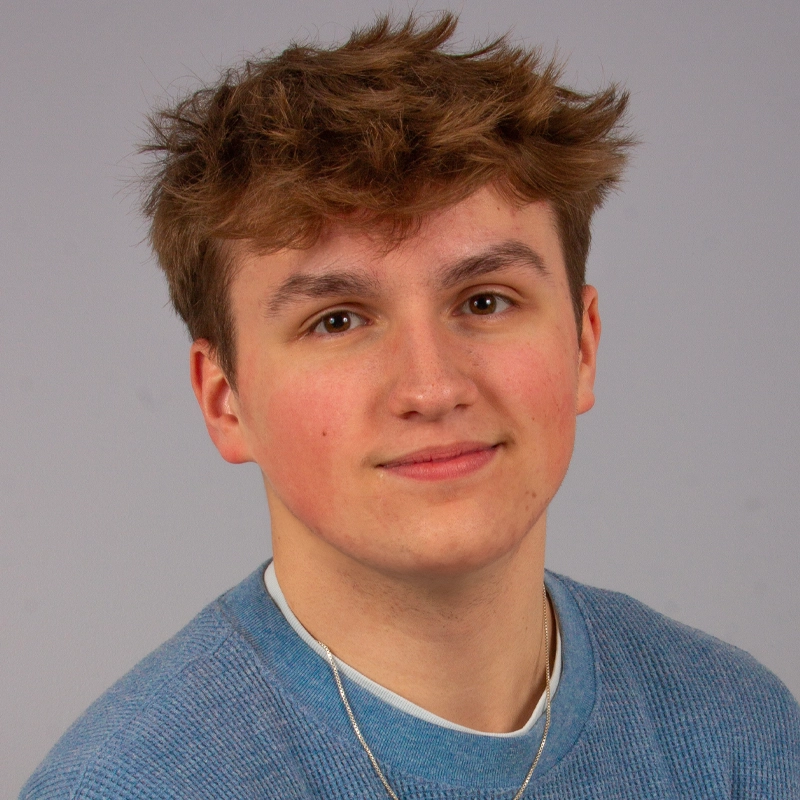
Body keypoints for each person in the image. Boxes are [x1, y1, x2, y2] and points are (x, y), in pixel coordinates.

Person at [21, 12, 799, 799]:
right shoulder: (128, 784)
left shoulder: (737, 734)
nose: (431, 388)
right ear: (226, 401)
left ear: (584, 345)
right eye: (338, 320)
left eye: (487, 301)